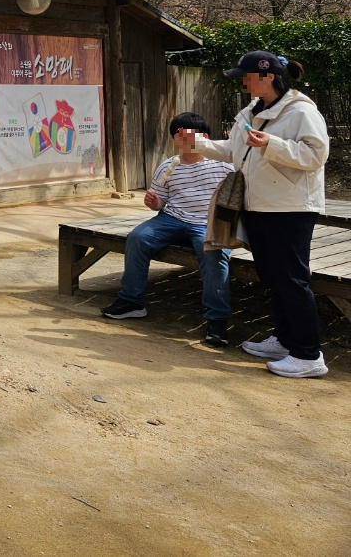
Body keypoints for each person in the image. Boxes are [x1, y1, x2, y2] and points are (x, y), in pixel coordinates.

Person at [194, 51, 330, 378]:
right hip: (259, 205)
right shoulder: (252, 110)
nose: (243, 80)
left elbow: (316, 155)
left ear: (267, 76)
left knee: (291, 279)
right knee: (273, 277)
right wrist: (198, 144)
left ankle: (309, 355)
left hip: (290, 208)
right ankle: (285, 341)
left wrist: (272, 143)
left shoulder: (300, 111)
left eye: (247, 75)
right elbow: (233, 150)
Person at [100, 112, 234, 346]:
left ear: (205, 138)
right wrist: (154, 203)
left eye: (188, 136)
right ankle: (132, 302)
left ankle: (217, 321)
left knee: (212, 252)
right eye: (177, 136)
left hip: (208, 222)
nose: (183, 141)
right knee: (138, 237)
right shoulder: (168, 165)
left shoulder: (224, 163)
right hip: (173, 218)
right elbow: (161, 201)